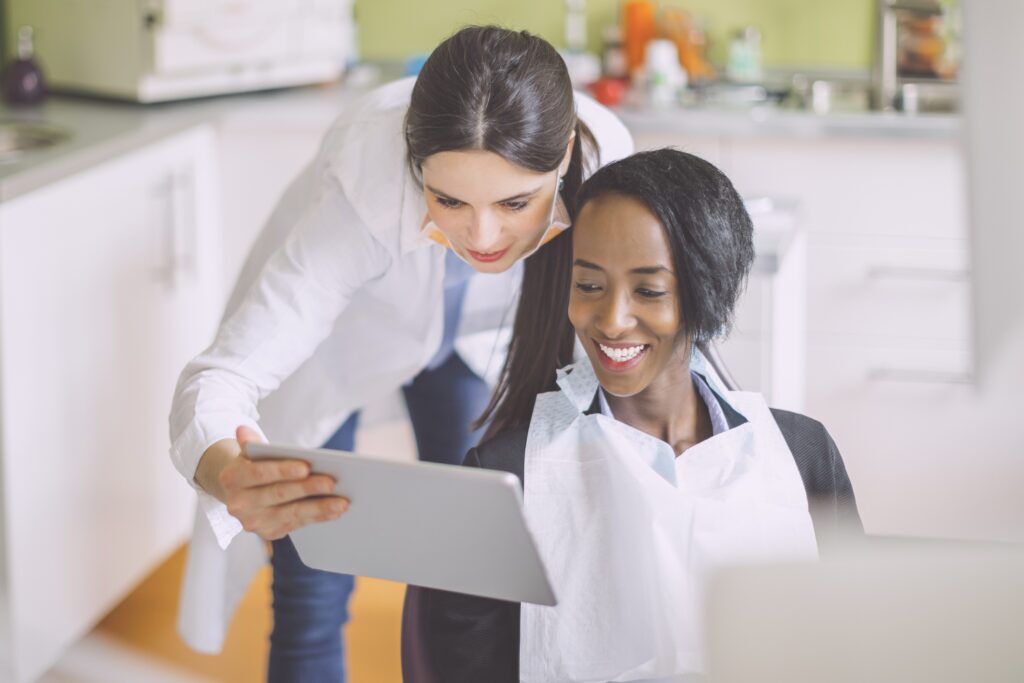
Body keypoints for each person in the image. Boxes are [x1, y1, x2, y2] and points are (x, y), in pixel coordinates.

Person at [167, 26, 634, 681]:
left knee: (473, 565)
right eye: (449, 201)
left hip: (474, 340)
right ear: (416, 166)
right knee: (312, 579)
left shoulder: (606, 158)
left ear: (560, 158)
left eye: (515, 202)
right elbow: (220, 376)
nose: (483, 237)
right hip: (343, 343)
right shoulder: (364, 185)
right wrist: (226, 472)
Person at [403, 149, 861, 682]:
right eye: (590, 285)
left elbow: (854, 645)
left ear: (704, 293)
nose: (613, 320)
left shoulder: (803, 457)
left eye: (649, 290)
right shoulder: (505, 480)